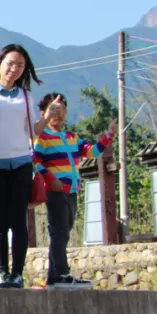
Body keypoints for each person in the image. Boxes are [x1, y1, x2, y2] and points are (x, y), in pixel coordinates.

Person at [0, 44, 51, 289]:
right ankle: (2, 272)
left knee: (19, 221)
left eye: (20, 65)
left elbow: (32, 131)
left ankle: (17, 273)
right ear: (0, 63)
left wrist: (48, 117)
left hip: (21, 164)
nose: (14, 69)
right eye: (10, 63)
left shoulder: (25, 96)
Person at [34, 93, 116, 289]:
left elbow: (92, 152)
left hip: (71, 190)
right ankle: (61, 273)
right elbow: (35, 161)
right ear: (43, 113)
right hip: (55, 190)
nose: (58, 114)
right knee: (59, 232)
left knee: (63, 232)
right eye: (53, 110)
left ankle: (54, 276)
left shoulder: (71, 137)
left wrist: (108, 135)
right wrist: (51, 179)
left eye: (61, 110)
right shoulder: (42, 137)